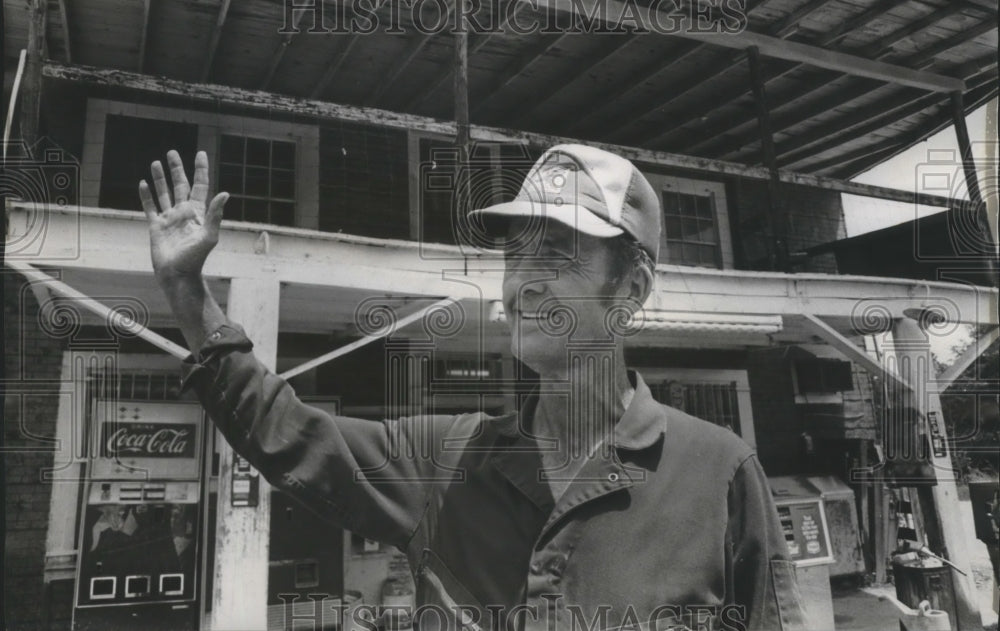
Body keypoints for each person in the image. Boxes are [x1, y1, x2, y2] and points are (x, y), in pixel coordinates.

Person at [140, 144, 806, 631]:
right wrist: (188, 293)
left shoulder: (720, 475)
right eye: (515, 256)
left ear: (631, 287)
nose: (524, 282)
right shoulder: (443, 464)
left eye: (558, 254)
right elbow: (286, 431)